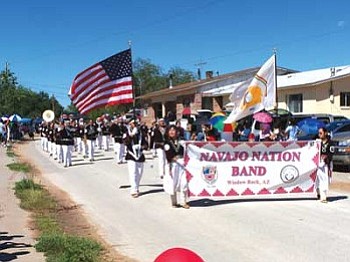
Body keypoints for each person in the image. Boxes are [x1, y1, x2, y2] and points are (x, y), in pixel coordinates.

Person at [163, 125, 189, 209]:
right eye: (170, 130)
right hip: (173, 165)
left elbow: (189, 150)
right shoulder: (166, 142)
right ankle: (174, 202)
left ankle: (183, 201)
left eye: (173, 130)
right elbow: (168, 154)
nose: (172, 132)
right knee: (172, 183)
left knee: (184, 182)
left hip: (182, 165)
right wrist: (175, 158)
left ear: (177, 132)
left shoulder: (182, 141)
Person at [124, 119, 146, 198]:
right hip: (131, 155)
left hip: (140, 155)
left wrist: (143, 146)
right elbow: (125, 142)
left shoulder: (141, 132)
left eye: (136, 123)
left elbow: (145, 143)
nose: (135, 125)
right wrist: (131, 136)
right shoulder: (127, 132)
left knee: (139, 172)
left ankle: (137, 186)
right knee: (133, 172)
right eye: (133, 123)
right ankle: (133, 189)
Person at [316, 127, 334, 203]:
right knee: (318, 179)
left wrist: (326, 159)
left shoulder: (330, 143)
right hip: (318, 162)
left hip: (327, 163)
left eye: (321, 133)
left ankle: (323, 196)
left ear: (325, 133)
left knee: (326, 179)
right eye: (318, 133)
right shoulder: (317, 142)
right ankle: (319, 193)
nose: (319, 135)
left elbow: (331, 153)